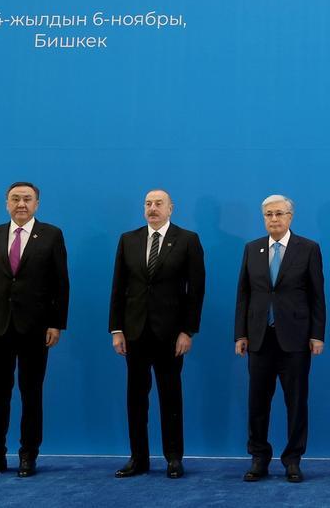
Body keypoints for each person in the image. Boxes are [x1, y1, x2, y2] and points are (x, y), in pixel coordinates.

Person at [0, 181, 70, 478]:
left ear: (37, 204)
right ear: (6, 204)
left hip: (35, 328)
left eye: (27, 199)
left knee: (31, 393)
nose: (21, 204)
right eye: (15, 199)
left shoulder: (51, 235)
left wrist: (56, 323)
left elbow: (61, 284)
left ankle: (28, 455)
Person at [108, 189, 206, 479]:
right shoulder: (129, 239)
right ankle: (138, 458)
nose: (153, 208)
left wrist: (187, 331)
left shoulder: (187, 240)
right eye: (148, 204)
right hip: (134, 332)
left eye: (158, 204)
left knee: (170, 397)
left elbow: (196, 291)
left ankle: (173, 458)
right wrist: (117, 329)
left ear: (170, 208)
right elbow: (118, 287)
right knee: (136, 398)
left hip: (170, 334)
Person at [234, 194, 325, 483]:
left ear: (290, 217)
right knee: (257, 403)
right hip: (259, 339)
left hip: (295, 339)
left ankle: (293, 460)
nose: (273, 219)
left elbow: (317, 295)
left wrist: (317, 334)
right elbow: (244, 294)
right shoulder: (252, 249)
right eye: (268, 214)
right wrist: (240, 334)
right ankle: (259, 457)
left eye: (279, 214)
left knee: (296, 403)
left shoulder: (308, 248)